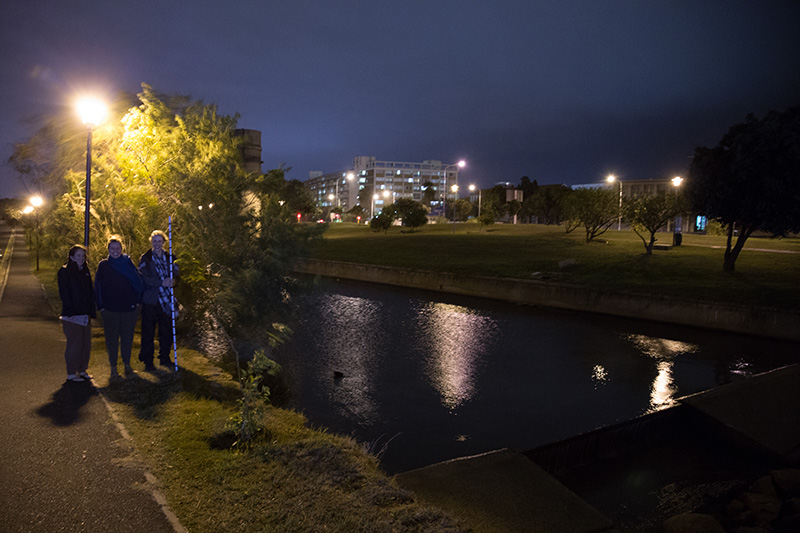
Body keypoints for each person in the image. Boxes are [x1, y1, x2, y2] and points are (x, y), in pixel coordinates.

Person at [95, 235, 143, 380]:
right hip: (110, 310)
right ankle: (113, 368)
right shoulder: (103, 265)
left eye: (118, 248)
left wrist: (137, 302)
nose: (115, 251)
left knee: (127, 338)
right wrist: (101, 306)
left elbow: (137, 281)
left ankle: (127, 365)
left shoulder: (127, 262)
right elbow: (98, 287)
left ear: (121, 248)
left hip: (129, 309)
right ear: (108, 249)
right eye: (112, 248)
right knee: (112, 339)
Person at [138, 230, 179, 371]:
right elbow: (143, 278)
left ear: (163, 242)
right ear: (151, 242)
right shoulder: (146, 258)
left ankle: (165, 358)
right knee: (148, 332)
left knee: (166, 331)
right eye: (154, 241)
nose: (156, 244)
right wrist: (161, 282)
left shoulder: (170, 257)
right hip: (151, 300)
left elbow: (177, 274)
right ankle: (148, 361)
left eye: (159, 241)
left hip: (167, 300)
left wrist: (174, 281)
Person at [57, 245, 96, 382]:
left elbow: (90, 292)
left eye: (83, 256)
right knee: (74, 344)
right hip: (72, 315)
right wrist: (71, 312)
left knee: (86, 344)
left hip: (85, 313)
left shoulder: (85, 270)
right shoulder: (65, 271)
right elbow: (65, 294)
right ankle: (71, 372)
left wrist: (92, 311)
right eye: (78, 255)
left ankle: (82, 369)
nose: (81, 258)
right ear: (72, 257)